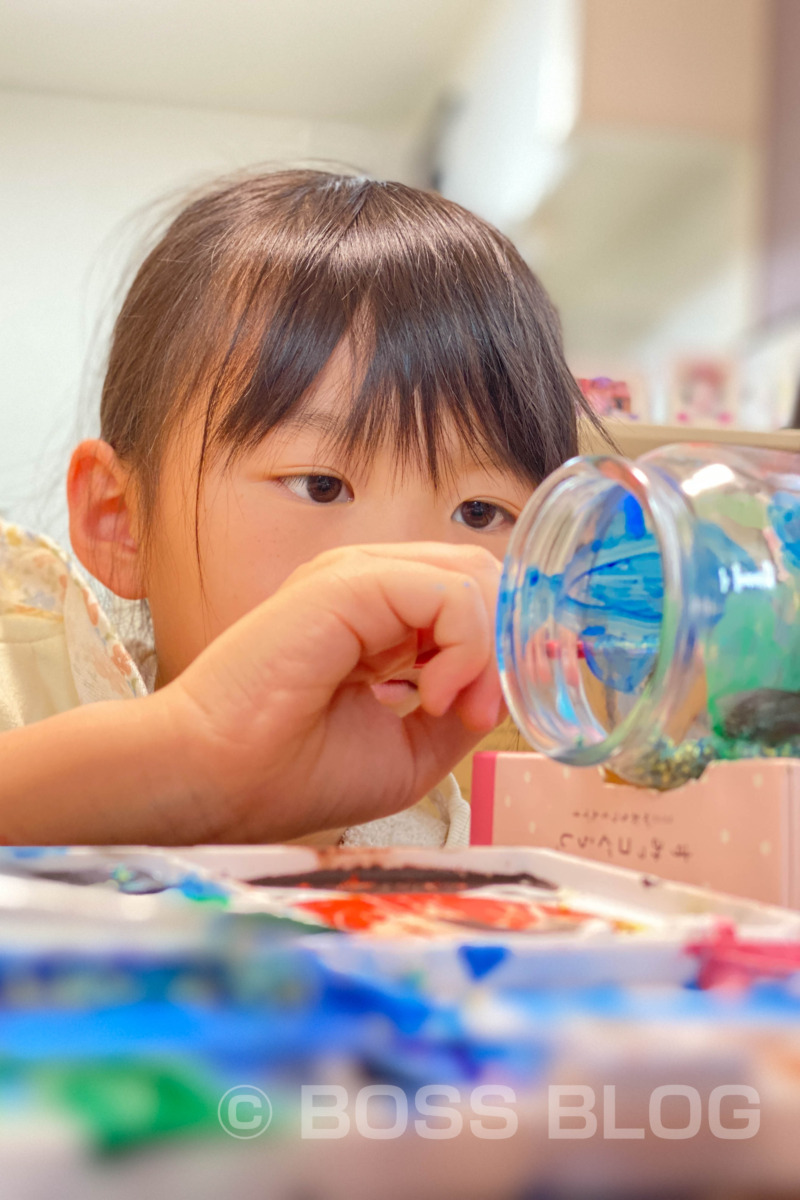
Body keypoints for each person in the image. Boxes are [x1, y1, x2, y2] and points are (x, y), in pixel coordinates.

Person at [0, 169, 597, 846]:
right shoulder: (21, 679)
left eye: (482, 513)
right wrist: (190, 752)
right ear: (123, 523)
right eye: (320, 484)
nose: (404, 573)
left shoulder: (433, 838)